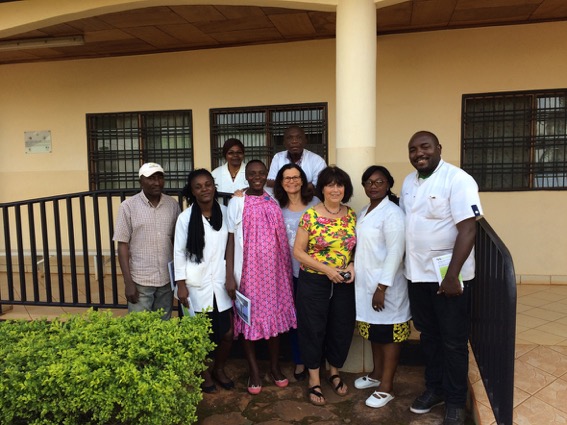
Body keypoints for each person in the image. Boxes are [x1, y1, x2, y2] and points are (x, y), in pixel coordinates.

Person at [400, 131, 483, 425]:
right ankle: (434, 388)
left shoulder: (458, 180)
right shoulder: (409, 182)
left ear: (438, 148)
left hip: (449, 279)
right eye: (413, 149)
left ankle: (456, 400)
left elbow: (468, 229)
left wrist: (451, 276)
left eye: (425, 147)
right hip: (417, 275)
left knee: (453, 341)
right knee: (429, 337)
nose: (419, 153)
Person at [225, 160, 297, 395]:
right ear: (246, 176)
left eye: (261, 173)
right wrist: (230, 275)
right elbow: (231, 238)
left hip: (274, 273)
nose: (257, 177)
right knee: (248, 319)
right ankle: (254, 371)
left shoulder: (273, 199)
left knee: (273, 319)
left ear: (267, 175)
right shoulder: (237, 202)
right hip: (249, 272)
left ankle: (275, 367)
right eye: (252, 173)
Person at [293, 165, 357, 406]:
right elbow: (298, 252)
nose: (335, 189)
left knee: (341, 327)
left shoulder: (351, 215)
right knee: (313, 329)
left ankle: (334, 372)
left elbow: (355, 248)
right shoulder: (310, 216)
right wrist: (328, 270)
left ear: (345, 189)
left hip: (343, 282)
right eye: (330, 185)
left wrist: (352, 266)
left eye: (339, 185)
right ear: (322, 189)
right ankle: (314, 379)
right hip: (314, 281)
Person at [353, 165, 411, 409]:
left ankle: (386, 386)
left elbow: (396, 252)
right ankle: (376, 374)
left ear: (388, 184)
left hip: (386, 287)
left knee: (389, 335)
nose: (373, 186)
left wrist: (382, 288)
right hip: (366, 283)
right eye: (369, 182)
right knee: (375, 332)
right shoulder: (364, 211)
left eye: (379, 182)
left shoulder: (393, 213)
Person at [173, 169, 234, 393]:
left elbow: (231, 245)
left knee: (227, 333)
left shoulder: (226, 213)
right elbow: (179, 252)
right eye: (198, 187)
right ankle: (204, 372)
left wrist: (230, 276)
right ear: (192, 191)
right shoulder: (185, 218)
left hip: (220, 282)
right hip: (195, 285)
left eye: (207, 184)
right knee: (198, 335)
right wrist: (181, 285)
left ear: (214, 186)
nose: (204, 189)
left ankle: (219, 368)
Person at [113, 162, 181, 319]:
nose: (156, 182)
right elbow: (122, 245)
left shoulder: (172, 205)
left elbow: (177, 241)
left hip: (166, 280)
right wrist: (128, 282)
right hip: (140, 281)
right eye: (151, 178)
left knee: (163, 326)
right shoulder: (128, 206)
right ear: (141, 181)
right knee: (140, 327)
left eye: (159, 178)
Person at [273, 163, 319, 382]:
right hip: (285, 273)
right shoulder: (276, 206)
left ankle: (315, 360)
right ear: (281, 183)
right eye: (287, 178)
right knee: (294, 319)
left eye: (295, 177)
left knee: (312, 318)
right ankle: (299, 360)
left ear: (302, 180)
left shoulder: (315, 204)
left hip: (312, 272)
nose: (291, 181)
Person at [266, 126, 326, 192]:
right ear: (284, 142)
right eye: (290, 138)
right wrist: (303, 185)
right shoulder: (278, 157)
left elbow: (317, 185)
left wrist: (286, 184)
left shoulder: (317, 160)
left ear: (305, 141)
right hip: (281, 198)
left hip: (308, 198)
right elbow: (270, 182)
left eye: (299, 137)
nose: (294, 141)